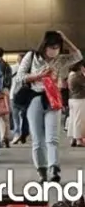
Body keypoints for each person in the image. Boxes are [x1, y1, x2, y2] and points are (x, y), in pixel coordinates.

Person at [14, 30, 82, 182]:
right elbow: (20, 77)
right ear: (45, 46)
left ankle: (54, 169)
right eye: (52, 47)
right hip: (35, 98)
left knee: (53, 138)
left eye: (57, 47)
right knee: (37, 138)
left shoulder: (60, 60)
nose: (54, 51)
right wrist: (39, 75)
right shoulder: (32, 56)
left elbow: (78, 55)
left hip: (53, 99)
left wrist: (65, 38)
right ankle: (42, 170)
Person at [0, 48, 13, 147]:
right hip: (6, 91)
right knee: (5, 116)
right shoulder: (7, 65)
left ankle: (1, 138)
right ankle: (6, 137)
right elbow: (9, 80)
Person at [11, 52, 29, 144]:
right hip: (25, 94)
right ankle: (23, 134)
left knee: (16, 116)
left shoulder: (13, 68)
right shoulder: (29, 69)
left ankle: (17, 133)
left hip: (14, 94)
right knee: (24, 116)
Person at [66, 62, 85, 147]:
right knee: (79, 120)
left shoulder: (70, 74)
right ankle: (79, 140)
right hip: (79, 99)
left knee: (73, 119)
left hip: (72, 99)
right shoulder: (77, 76)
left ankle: (73, 138)